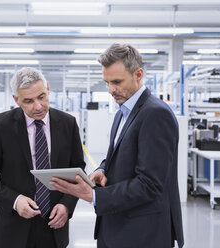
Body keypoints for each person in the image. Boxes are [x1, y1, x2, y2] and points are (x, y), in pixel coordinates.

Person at [50, 43, 184, 248]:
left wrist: (93, 195)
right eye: (107, 83)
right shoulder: (123, 111)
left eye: (117, 81)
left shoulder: (156, 114)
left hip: (143, 233)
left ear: (138, 74)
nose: (111, 90)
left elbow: (150, 184)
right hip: (117, 225)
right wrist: (103, 169)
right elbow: (121, 155)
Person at [0, 67, 86, 248]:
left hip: (54, 226)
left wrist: (67, 204)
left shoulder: (67, 123)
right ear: (16, 100)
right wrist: (15, 201)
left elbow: (78, 171)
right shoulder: (1, 126)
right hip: (13, 227)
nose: (38, 106)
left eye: (42, 96)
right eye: (28, 101)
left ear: (48, 89)